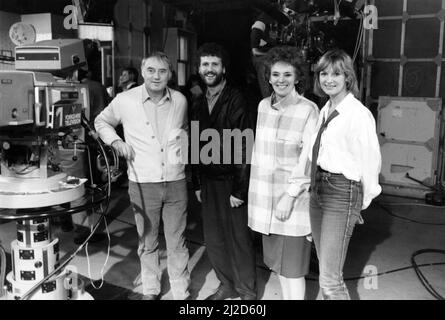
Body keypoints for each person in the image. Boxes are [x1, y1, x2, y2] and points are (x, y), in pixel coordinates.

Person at [95, 51, 191, 300]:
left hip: (176, 181)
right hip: (142, 182)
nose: (156, 76)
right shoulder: (125, 100)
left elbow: (185, 132)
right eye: (151, 70)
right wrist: (116, 142)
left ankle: (181, 292)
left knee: (177, 240)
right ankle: (151, 288)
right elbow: (101, 122)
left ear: (170, 74)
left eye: (162, 71)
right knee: (147, 241)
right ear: (142, 71)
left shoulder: (180, 100)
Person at [309, 49, 382, 300]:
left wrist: (361, 203)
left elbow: (371, 161)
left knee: (331, 281)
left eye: (336, 74)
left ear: (348, 78)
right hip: (318, 187)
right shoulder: (325, 109)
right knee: (324, 269)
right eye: (324, 73)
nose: (329, 79)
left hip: (342, 191)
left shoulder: (358, 114)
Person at [248, 46, 318, 300]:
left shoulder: (308, 110)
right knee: (278, 268)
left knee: (293, 273)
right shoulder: (263, 106)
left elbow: (309, 159)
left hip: (292, 203)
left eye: (287, 74)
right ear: (268, 77)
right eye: (276, 74)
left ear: (298, 77)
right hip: (266, 202)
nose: (281, 80)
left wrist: (289, 196)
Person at [191, 43, 257, 300]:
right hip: (208, 182)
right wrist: (196, 182)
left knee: (239, 238)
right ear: (199, 69)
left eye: (214, 64)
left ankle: (247, 291)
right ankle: (226, 285)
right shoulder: (197, 102)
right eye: (205, 64)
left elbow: (244, 144)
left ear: (223, 68)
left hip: (232, 182)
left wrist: (240, 189)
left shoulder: (237, 98)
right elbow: (195, 143)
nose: (209, 69)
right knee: (214, 239)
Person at [250, 0, 299, 98]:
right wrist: (274, 55)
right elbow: (255, 52)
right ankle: (269, 100)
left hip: (273, 56)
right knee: (265, 66)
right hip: (263, 58)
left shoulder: (278, 22)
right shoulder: (260, 23)